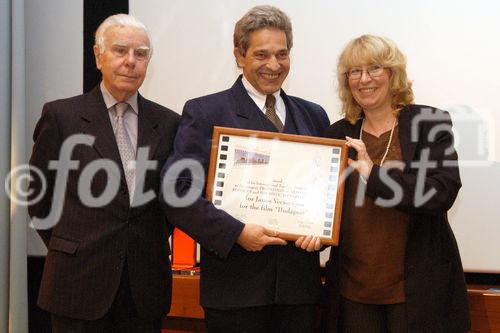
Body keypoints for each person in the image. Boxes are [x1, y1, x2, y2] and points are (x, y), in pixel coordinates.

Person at [161, 5, 329, 333]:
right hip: (235, 293)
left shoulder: (314, 116)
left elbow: (325, 196)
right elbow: (177, 191)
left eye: (282, 54)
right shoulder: (206, 112)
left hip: (299, 293)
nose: (274, 65)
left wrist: (320, 233)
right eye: (262, 54)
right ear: (239, 55)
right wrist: (235, 233)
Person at [28, 14, 180, 332]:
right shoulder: (62, 117)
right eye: (120, 50)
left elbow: (171, 202)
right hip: (76, 284)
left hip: (143, 288)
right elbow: (40, 197)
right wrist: (73, 244)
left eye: (141, 54)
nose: (131, 61)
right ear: (99, 56)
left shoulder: (168, 123)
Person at [321, 34, 470, 332]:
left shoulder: (429, 123)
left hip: (416, 294)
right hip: (354, 293)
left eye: (375, 68)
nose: (365, 79)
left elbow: (441, 192)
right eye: (354, 71)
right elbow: (321, 202)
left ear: (393, 73)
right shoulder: (337, 134)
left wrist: (373, 174)